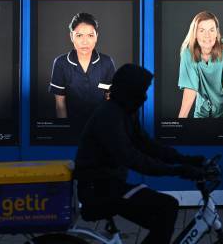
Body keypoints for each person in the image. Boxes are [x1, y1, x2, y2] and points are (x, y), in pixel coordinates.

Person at [74, 64, 207, 244]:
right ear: (129, 91)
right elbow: (131, 157)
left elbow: (146, 144)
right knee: (167, 207)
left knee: (162, 218)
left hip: (108, 184)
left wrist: (184, 159)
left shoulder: (125, 111)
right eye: (141, 91)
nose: (144, 97)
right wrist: (177, 171)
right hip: (98, 190)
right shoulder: (109, 116)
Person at [48, 12, 116, 124]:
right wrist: (66, 130)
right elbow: (60, 105)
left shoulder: (106, 62)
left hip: (101, 126)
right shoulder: (61, 63)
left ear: (96, 37)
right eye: (79, 35)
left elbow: (110, 98)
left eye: (90, 35)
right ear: (71, 36)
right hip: (72, 125)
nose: (85, 42)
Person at [178, 11, 223, 118]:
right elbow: (190, 89)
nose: (207, 35)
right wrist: (179, 123)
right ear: (195, 33)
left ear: (217, 33)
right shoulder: (187, 53)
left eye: (211, 30)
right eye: (202, 30)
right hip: (204, 105)